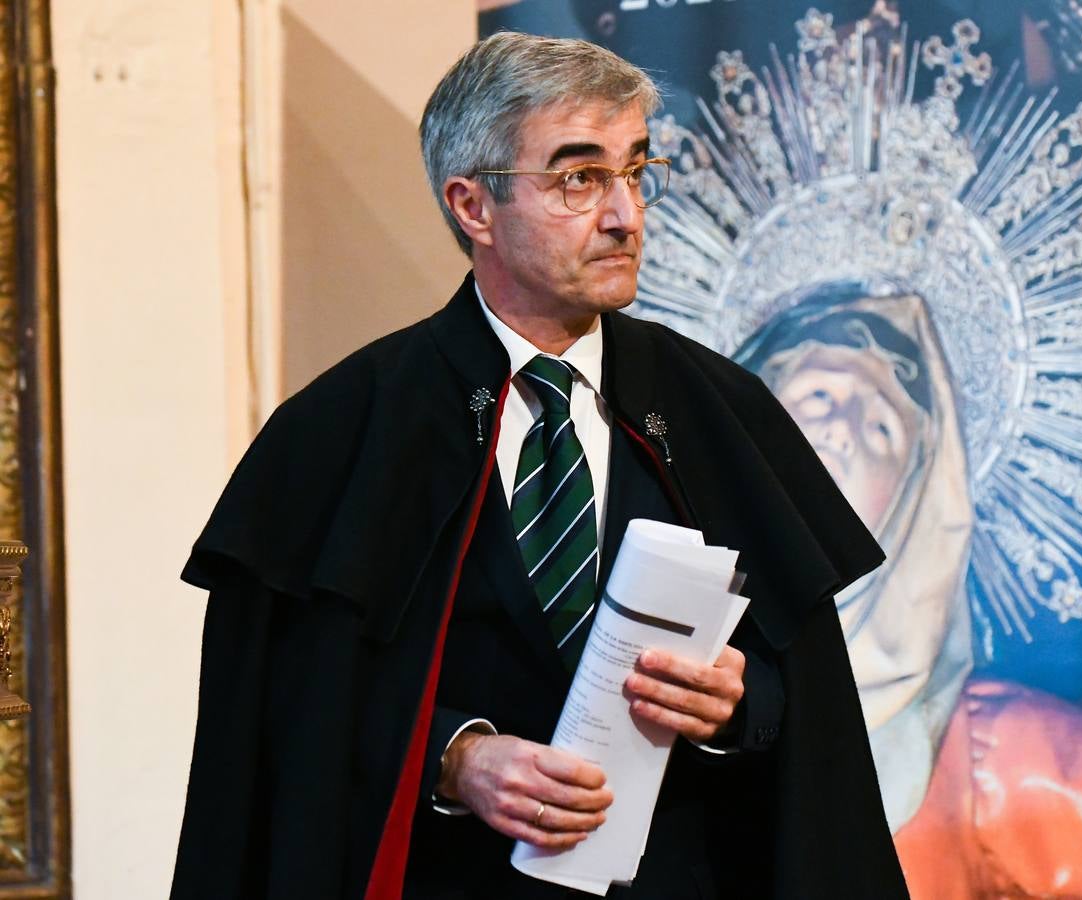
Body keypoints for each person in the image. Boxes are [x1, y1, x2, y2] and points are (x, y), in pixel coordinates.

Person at [170, 32, 909, 900]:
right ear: (472, 206)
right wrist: (457, 758)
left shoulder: (718, 410)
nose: (626, 215)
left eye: (636, 170)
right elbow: (289, 718)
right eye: (579, 178)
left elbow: (809, 715)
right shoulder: (341, 429)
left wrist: (736, 707)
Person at [739, 281, 1082, 898]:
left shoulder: (1018, 763)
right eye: (819, 392)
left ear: (912, 509)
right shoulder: (627, 652)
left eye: (882, 427)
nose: (841, 428)